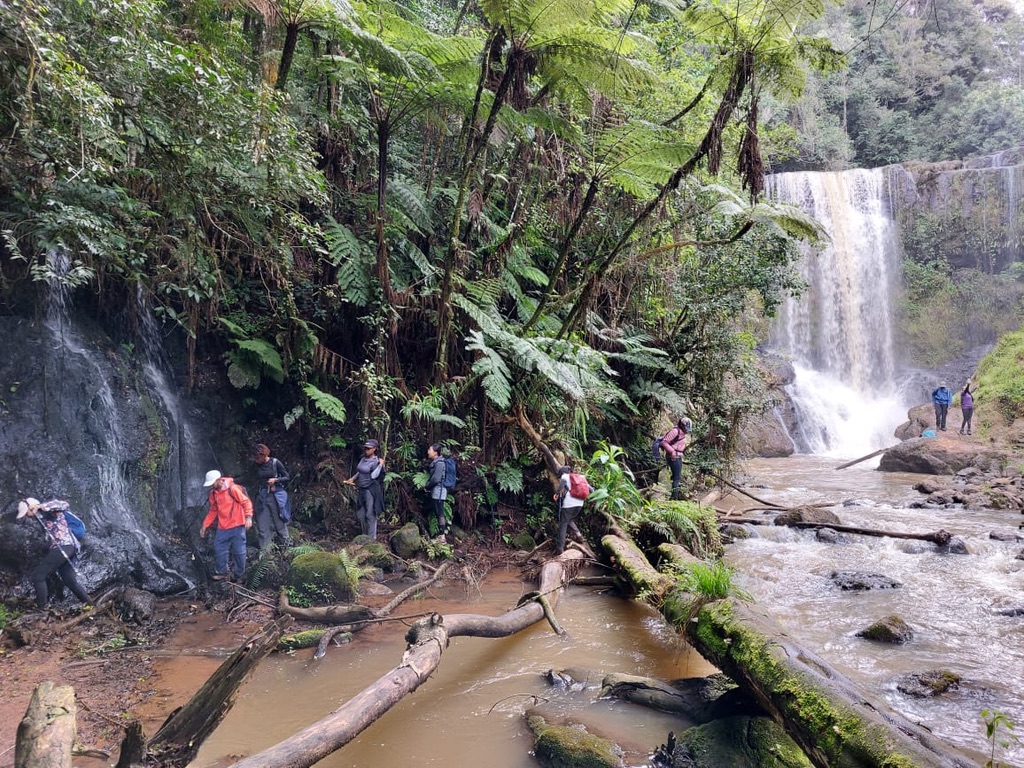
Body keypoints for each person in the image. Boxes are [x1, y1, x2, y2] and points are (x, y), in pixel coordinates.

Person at [17, 497, 92, 609]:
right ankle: (90, 605)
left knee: (39, 576)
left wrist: (39, 506)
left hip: (64, 546)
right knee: (69, 580)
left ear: (32, 507)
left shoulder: (49, 511)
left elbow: (64, 504)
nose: (27, 515)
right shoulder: (42, 517)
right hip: (69, 548)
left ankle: (42, 609)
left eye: (26, 512)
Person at [200, 470, 253, 581]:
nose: (212, 486)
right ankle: (222, 572)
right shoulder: (213, 494)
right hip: (223, 527)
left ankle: (239, 574)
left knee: (239, 552)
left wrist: (248, 517)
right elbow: (213, 510)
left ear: (219, 480)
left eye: (213, 483)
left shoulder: (233, 489)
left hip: (237, 525)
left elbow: (246, 502)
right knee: (219, 550)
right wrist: (205, 525)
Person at [253, 443, 291, 551]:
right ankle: (266, 552)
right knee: (262, 525)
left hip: (274, 496)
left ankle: (286, 548)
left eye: (258, 457)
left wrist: (275, 480)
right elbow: (248, 477)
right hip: (262, 497)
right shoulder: (256, 465)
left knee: (279, 522)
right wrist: (232, 480)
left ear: (264, 455)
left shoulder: (275, 463)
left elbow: (287, 477)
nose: (256, 460)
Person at [345, 439, 385, 539]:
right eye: (365, 448)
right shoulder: (363, 459)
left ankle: (372, 539)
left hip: (370, 490)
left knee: (370, 514)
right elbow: (360, 471)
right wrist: (352, 479)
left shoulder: (375, 461)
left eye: (368, 448)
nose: (366, 450)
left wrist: (380, 465)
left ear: (374, 449)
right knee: (360, 514)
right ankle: (364, 536)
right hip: (361, 489)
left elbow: (373, 476)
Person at [553, 466, 588, 555]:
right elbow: (591, 489)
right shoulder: (580, 477)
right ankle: (579, 535)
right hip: (580, 504)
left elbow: (561, 485)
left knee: (563, 524)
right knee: (569, 520)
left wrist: (557, 494)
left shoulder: (565, 476)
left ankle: (559, 548)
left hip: (569, 504)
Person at [425, 443, 450, 541]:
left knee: (440, 513)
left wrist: (427, 486)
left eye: (430, 450)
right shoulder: (437, 462)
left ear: (435, 452)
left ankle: (442, 536)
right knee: (438, 512)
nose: (428, 452)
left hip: (439, 491)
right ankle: (441, 535)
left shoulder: (439, 463)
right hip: (437, 491)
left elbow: (436, 479)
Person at [662, 417, 692, 499]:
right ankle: (674, 498)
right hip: (673, 456)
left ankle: (674, 496)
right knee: (676, 477)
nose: (687, 430)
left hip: (678, 456)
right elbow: (664, 442)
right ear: (682, 425)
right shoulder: (675, 431)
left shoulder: (682, 433)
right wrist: (672, 452)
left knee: (676, 476)